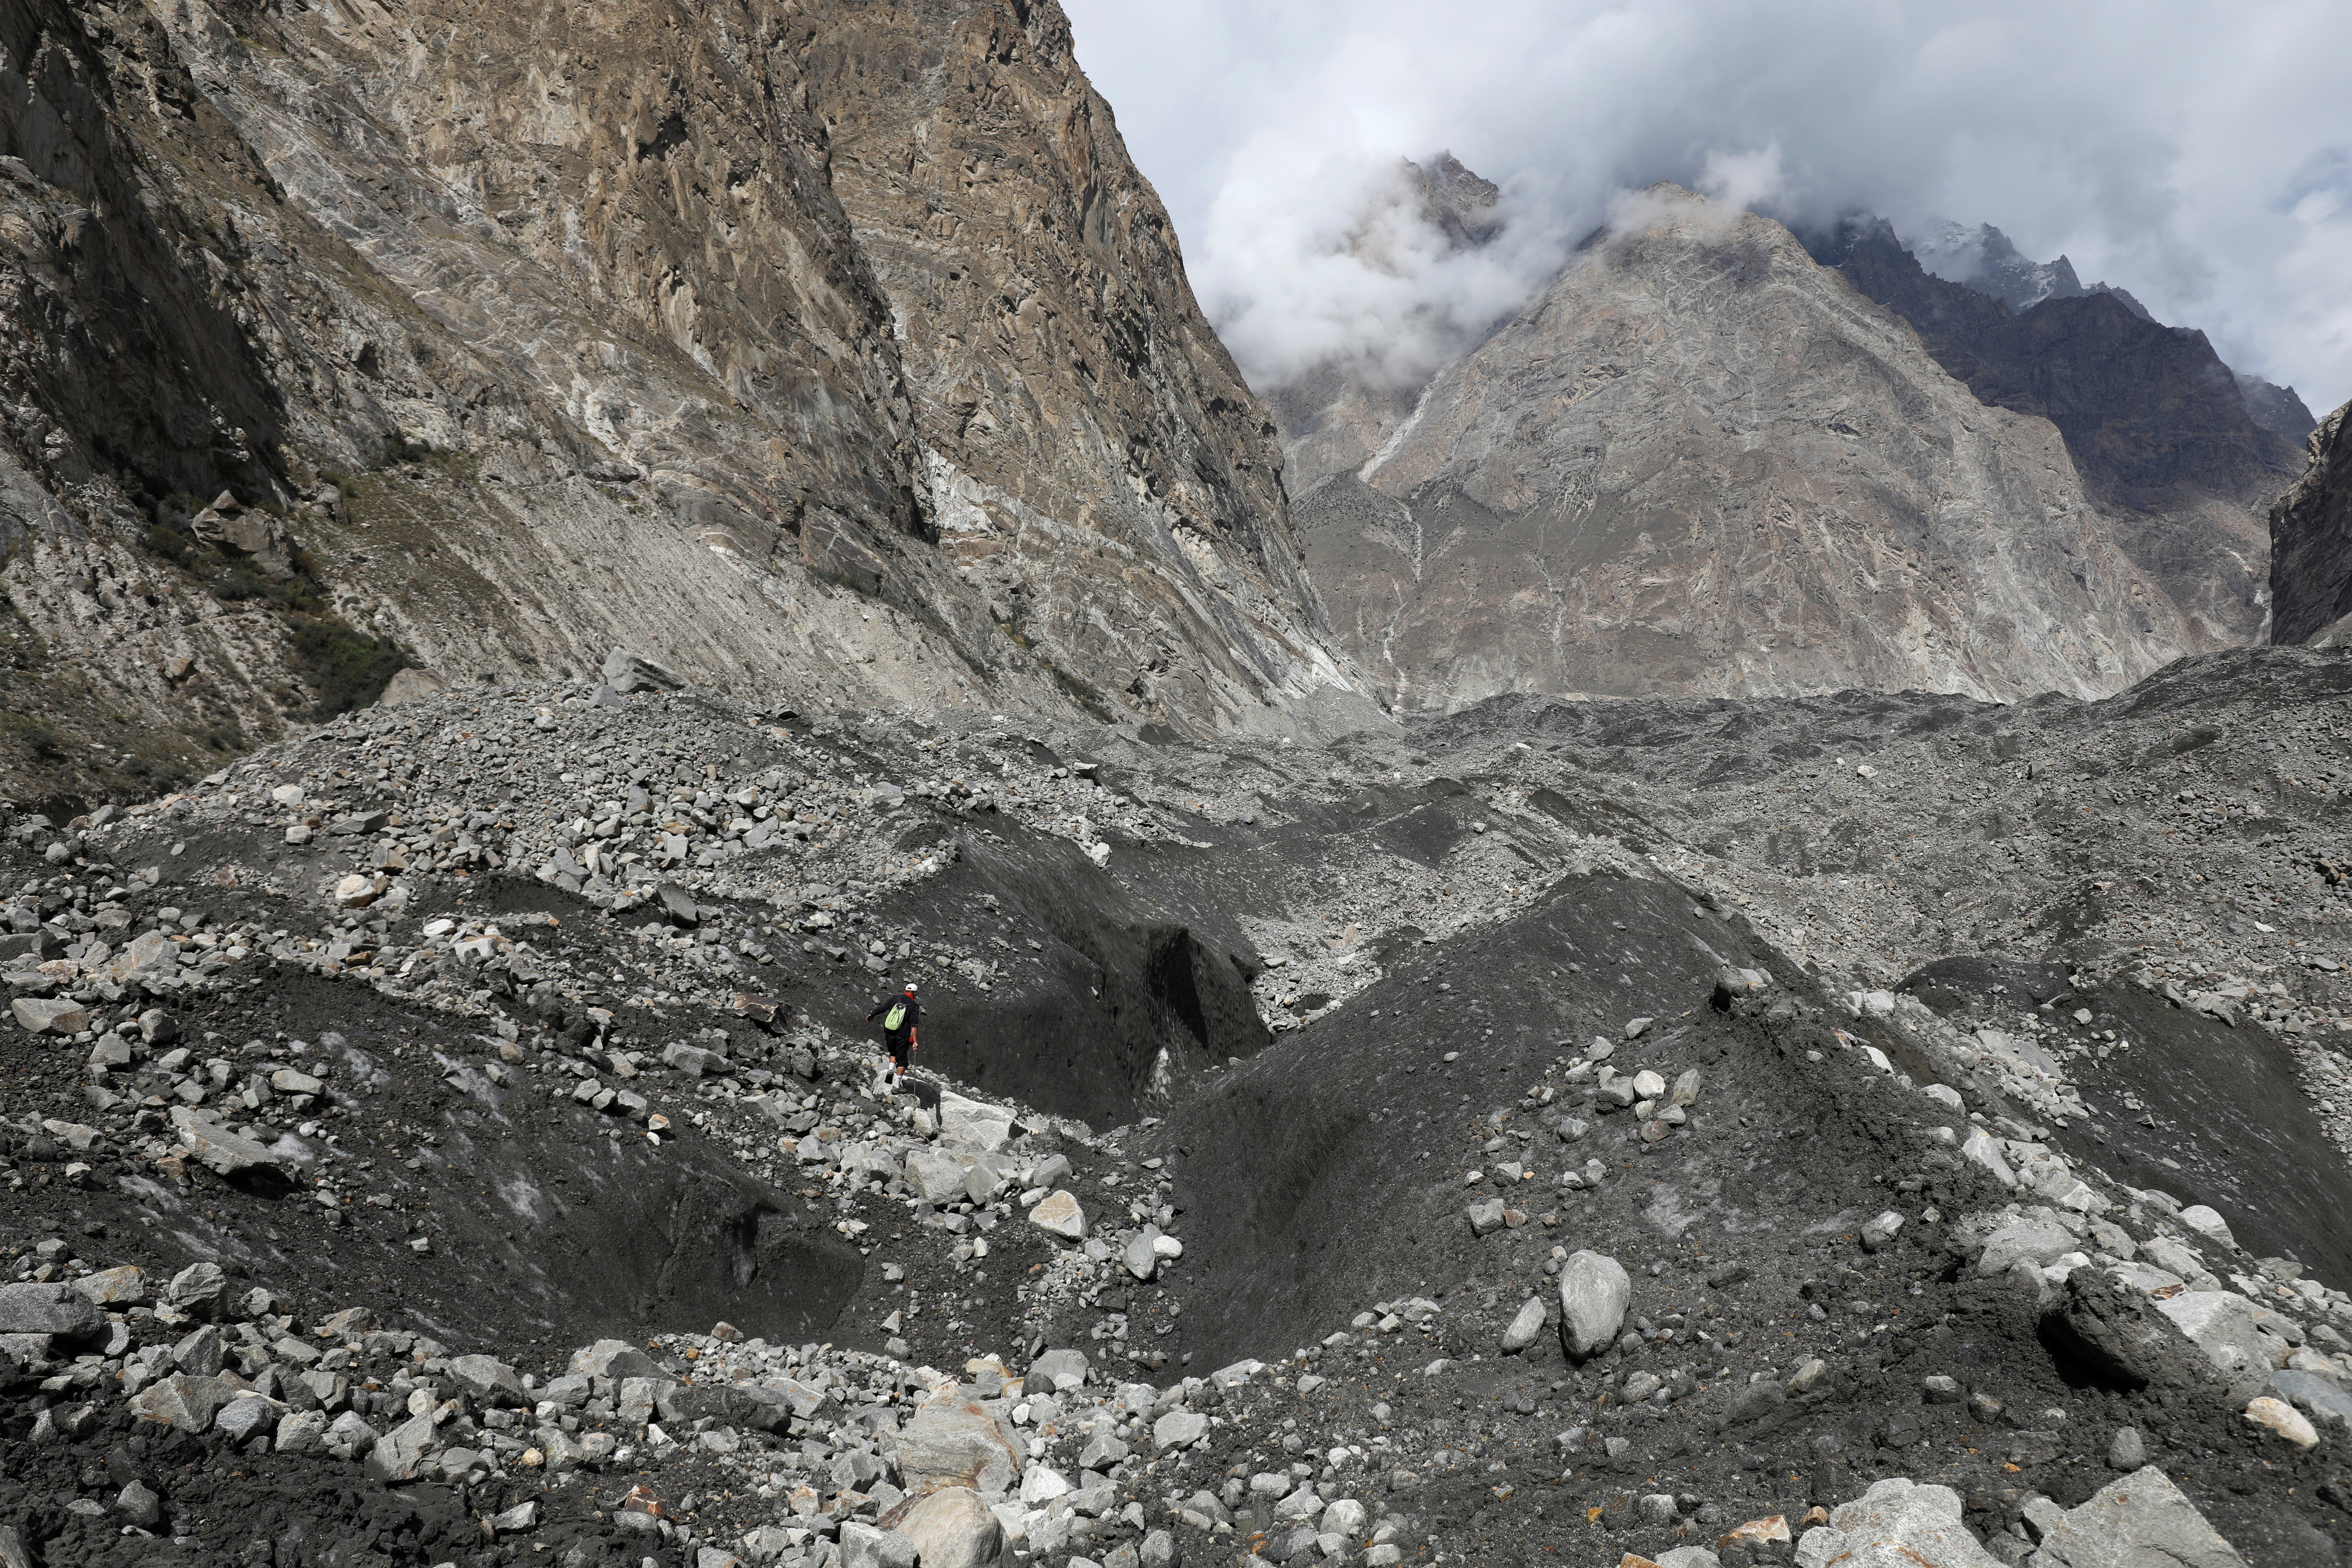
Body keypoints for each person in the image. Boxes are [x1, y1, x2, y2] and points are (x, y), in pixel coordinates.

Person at [866, 981, 921, 1091]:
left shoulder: (895, 999)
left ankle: (891, 1070)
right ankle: (896, 1086)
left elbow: (882, 1008)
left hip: (889, 1032)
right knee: (903, 1060)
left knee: (893, 1053)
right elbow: (914, 1024)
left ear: (905, 991)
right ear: (915, 994)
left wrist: (872, 1014)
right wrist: (915, 1041)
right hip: (902, 1035)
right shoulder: (914, 1006)